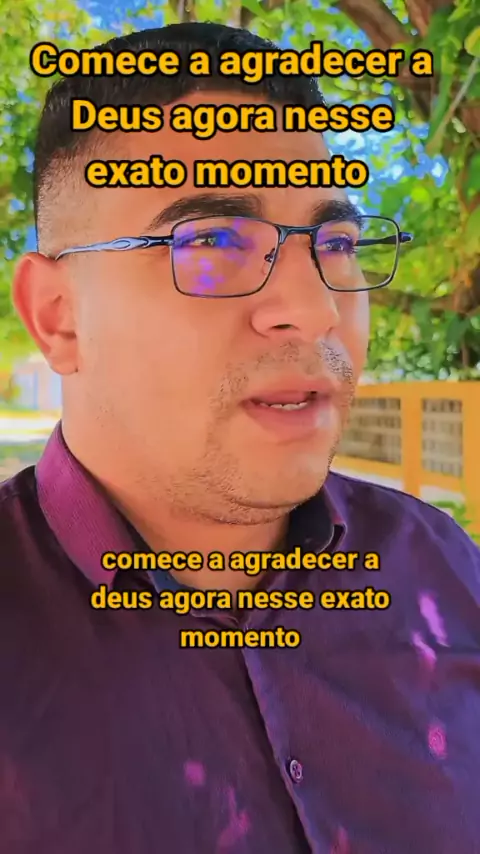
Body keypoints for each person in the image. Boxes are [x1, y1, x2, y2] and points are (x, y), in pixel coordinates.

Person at [1, 20, 479, 854]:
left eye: (335, 243)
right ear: (58, 316)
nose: (316, 308)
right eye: (213, 242)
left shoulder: (441, 566)